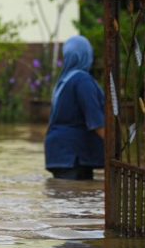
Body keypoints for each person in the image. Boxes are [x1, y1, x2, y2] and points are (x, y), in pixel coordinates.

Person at [44, 36, 105, 180]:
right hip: (73, 155)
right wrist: (115, 148)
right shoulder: (82, 80)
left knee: (67, 198)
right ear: (86, 55)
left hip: (58, 153)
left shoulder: (64, 81)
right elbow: (95, 120)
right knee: (78, 198)